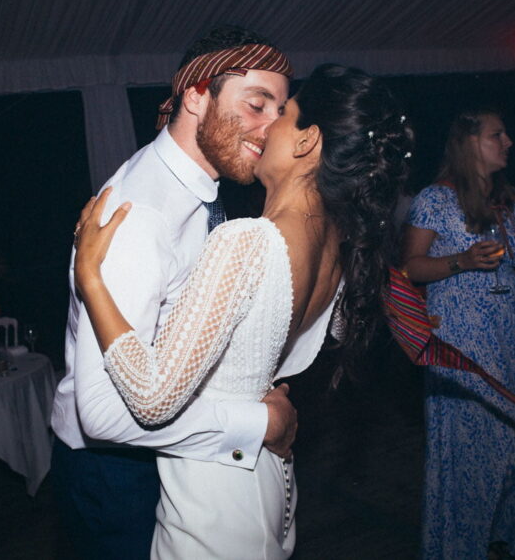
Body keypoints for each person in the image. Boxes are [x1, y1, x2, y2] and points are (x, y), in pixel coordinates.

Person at [73, 63, 413, 558]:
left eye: (284, 114)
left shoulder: (248, 241)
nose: (267, 126)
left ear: (306, 141)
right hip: (266, 478)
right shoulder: (337, 249)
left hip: (214, 503)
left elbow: (149, 400)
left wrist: (92, 280)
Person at [49, 26, 302, 559]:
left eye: (279, 112)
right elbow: (105, 415)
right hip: (119, 471)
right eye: (257, 104)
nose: (271, 128)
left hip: (157, 449)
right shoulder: (141, 215)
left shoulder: (201, 194)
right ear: (196, 95)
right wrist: (257, 423)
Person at [402, 108, 515, 559]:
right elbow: (410, 266)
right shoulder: (435, 199)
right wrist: (462, 261)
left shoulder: (509, 202)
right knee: (477, 444)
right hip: (463, 335)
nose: (508, 142)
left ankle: (510, 535)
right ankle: (463, 544)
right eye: (496, 134)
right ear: (469, 143)